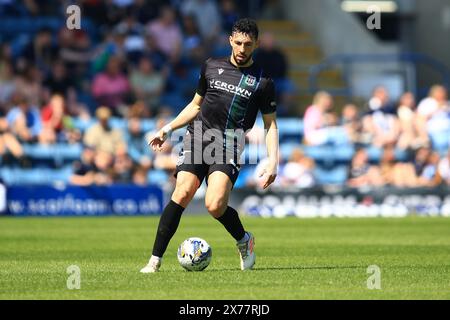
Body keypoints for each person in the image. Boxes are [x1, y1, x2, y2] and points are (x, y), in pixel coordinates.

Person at [140, 19, 278, 273]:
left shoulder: (263, 81)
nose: (242, 48)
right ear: (230, 40)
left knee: (214, 205)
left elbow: (270, 125)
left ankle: (244, 240)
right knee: (182, 192)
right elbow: (195, 106)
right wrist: (167, 128)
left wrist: (272, 161)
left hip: (229, 144)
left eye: (248, 44)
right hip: (198, 136)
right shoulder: (211, 66)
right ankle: (154, 261)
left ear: (256, 44)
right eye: (238, 42)